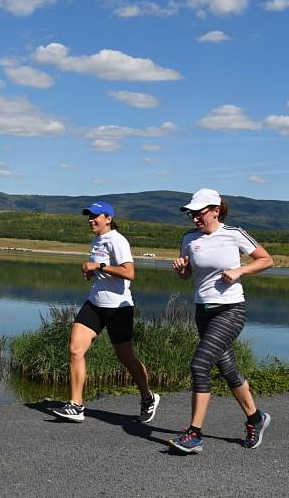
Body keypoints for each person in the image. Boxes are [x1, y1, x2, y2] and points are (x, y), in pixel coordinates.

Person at [169, 188, 273, 453]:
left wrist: (240, 270)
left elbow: (266, 260)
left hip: (230, 310)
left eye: (199, 213)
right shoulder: (189, 239)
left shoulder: (234, 234)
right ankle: (256, 419)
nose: (194, 219)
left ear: (215, 210)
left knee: (199, 364)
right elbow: (188, 275)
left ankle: (194, 433)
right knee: (227, 369)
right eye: (191, 214)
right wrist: (182, 272)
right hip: (202, 311)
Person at [52, 201, 159, 423]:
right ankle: (76, 405)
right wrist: (91, 273)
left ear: (108, 218)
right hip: (95, 304)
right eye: (89, 216)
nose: (91, 219)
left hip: (118, 307)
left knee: (125, 357)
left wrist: (98, 267)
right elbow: (105, 271)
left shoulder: (117, 240)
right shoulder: (97, 241)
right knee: (75, 349)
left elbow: (129, 273)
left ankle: (148, 397)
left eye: (95, 216)